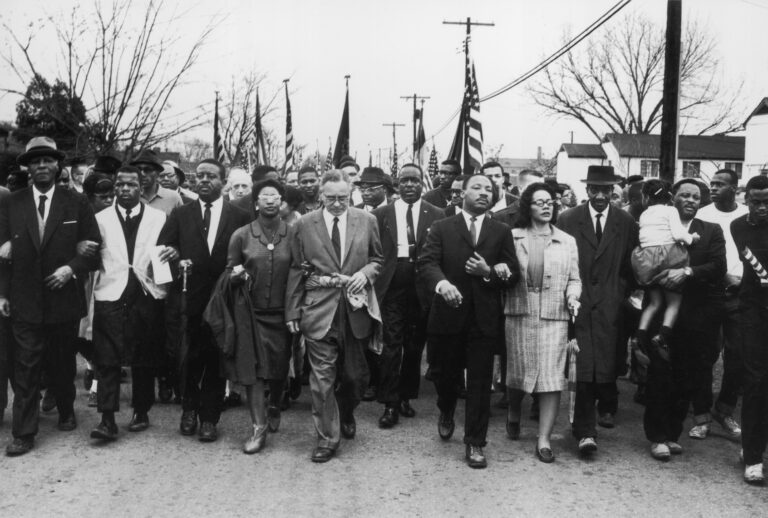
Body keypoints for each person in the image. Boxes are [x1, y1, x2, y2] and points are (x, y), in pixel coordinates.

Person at [0, 136, 101, 456]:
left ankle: (66, 408)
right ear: (28, 168)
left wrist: (70, 269)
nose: (42, 166)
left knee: (60, 363)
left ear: (58, 166)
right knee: (25, 366)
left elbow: (93, 249)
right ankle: (23, 432)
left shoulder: (76, 202)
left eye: (48, 161)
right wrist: (3, 293)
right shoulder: (12, 202)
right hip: (24, 298)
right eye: (35, 162)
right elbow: (3, 254)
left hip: (63, 298)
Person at [418, 174, 520, 469]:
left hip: (483, 319)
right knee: (446, 376)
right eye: (477, 187)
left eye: (489, 189)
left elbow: (512, 274)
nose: (484, 193)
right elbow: (427, 263)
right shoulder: (441, 227)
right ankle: (446, 408)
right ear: (461, 193)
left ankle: (475, 441)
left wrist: (489, 271)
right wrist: (442, 285)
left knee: (479, 383)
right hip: (448, 316)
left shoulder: (500, 231)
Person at [286, 169, 383, 463]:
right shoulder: (303, 224)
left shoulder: (367, 220)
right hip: (319, 309)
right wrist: (293, 309)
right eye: (331, 198)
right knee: (321, 378)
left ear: (350, 192)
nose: (337, 203)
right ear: (320, 196)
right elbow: (296, 268)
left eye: (343, 197)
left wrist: (365, 275)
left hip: (355, 309)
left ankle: (345, 411)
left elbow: (378, 259)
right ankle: (327, 437)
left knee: (356, 377)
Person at [157, 158, 250, 443]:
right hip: (190, 298)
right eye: (199, 177)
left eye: (211, 177)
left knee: (216, 358)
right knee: (188, 357)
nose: (204, 181)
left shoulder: (239, 216)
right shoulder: (182, 214)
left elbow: (249, 257)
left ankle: (209, 417)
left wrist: (239, 275)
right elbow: (163, 248)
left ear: (223, 182)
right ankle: (189, 410)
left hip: (225, 299)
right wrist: (173, 255)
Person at [641, 179, 725, 461]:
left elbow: (717, 267)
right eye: (684, 195)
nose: (690, 200)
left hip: (695, 317)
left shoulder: (710, 231)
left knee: (685, 379)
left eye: (695, 196)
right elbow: (639, 260)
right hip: (662, 317)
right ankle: (658, 437)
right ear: (672, 198)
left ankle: (673, 433)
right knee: (660, 376)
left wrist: (687, 272)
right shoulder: (656, 225)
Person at [556, 165, 637, 457]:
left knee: (607, 365)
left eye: (606, 189)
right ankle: (585, 431)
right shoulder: (567, 219)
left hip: (610, 305)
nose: (601, 195)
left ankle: (600, 414)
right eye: (595, 189)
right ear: (587, 190)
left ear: (614, 190)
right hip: (578, 301)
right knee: (582, 366)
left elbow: (632, 264)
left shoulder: (625, 222)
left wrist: (619, 291)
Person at [502, 182, 581, 463]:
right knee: (517, 370)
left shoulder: (567, 241)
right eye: (539, 202)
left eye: (550, 201)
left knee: (550, 378)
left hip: (554, 316)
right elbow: (504, 272)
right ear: (527, 207)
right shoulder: (511, 237)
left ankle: (544, 438)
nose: (547, 206)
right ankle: (513, 411)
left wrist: (573, 297)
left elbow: (574, 278)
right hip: (520, 312)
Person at [89, 166, 168, 441]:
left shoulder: (158, 217)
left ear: (141, 187)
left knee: (143, 354)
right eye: (120, 185)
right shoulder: (100, 218)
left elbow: (166, 249)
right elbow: (92, 254)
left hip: (146, 291)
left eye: (131, 185)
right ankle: (107, 418)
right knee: (107, 355)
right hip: (110, 291)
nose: (125, 189)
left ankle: (141, 410)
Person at [372, 164, 443, 428]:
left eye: (414, 180)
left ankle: (405, 396)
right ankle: (389, 402)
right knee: (392, 343)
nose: (410, 185)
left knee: (414, 345)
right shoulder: (382, 214)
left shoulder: (436, 214)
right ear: (396, 185)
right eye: (404, 181)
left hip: (423, 282)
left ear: (422, 184)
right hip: (393, 282)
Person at [224, 179, 293, 453]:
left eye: (274, 196)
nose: (269, 201)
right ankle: (258, 426)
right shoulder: (241, 235)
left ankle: (274, 402)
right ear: (255, 203)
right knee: (254, 372)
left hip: (283, 313)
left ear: (282, 202)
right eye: (264, 196)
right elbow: (229, 271)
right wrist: (236, 275)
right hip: (250, 313)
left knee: (278, 367)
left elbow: (300, 271)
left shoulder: (293, 233)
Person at [692, 169, 748, 440]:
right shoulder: (702, 215)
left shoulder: (748, 214)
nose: (712, 188)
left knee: (737, 356)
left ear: (734, 189)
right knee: (705, 354)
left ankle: (724, 410)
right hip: (710, 292)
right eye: (711, 184)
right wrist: (724, 275)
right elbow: (696, 255)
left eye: (720, 184)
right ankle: (701, 414)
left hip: (743, 294)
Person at [630, 180, 699, 362]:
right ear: (669, 196)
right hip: (668, 256)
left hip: (645, 260)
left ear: (646, 197)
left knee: (654, 303)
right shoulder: (671, 210)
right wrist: (692, 239)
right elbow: (677, 234)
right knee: (673, 304)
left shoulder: (644, 214)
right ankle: (662, 335)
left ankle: (639, 336)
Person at [731, 174, 768, 484]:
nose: (762, 207)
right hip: (753, 311)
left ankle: (754, 445)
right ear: (746, 200)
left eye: (767, 202)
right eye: (756, 202)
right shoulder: (738, 226)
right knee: (756, 381)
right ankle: (753, 456)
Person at [133, 149, 183, 216]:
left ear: (157, 173)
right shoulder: (130, 196)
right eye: (138, 169)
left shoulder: (173, 198)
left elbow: (184, 224)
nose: (142, 174)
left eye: (147, 170)